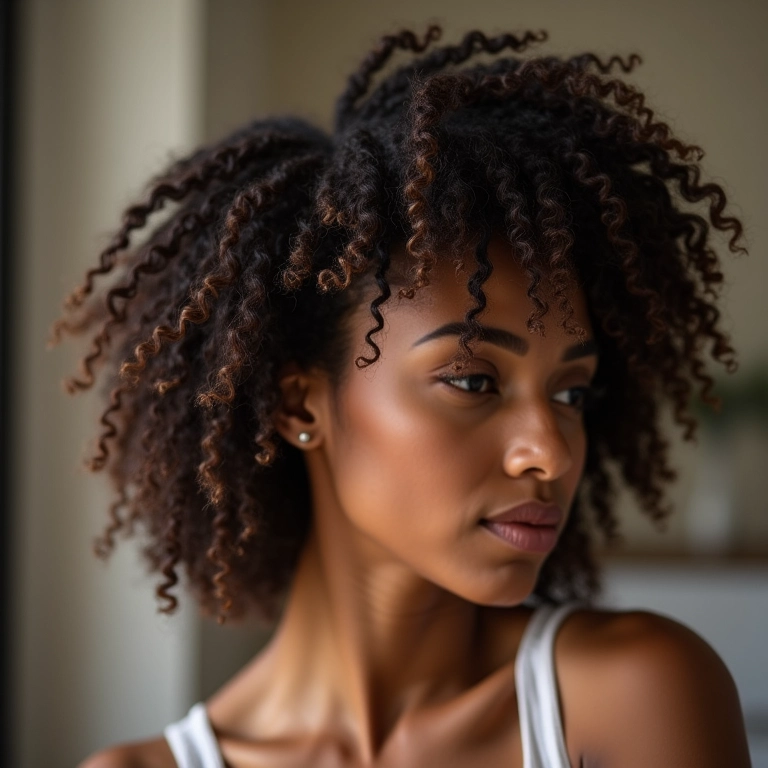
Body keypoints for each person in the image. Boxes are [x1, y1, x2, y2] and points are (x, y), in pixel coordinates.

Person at [58, 25, 753, 768]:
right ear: (299, 406)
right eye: (472, 381)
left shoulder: (634, 696)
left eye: (571, 392)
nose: (548, 450)